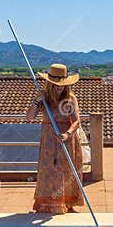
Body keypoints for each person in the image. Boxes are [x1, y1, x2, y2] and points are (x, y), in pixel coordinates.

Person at [26, 63, 84, 214]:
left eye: (62, 85)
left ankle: (67, 203)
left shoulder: (70, 98)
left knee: (66, 171)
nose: (59, 87)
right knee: (48, 171)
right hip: (48, 141)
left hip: (66, 139)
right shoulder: (43, 98)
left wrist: (68, 134)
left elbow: (77, 121)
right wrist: (36, 101)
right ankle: (48, 205)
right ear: (49, 83)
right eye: (56, 84)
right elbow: (30, 117)